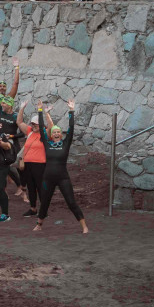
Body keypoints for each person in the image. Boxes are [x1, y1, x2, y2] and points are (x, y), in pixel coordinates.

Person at [33, 100, 89, 234]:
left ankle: (84, 226)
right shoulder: (47, 144)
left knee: (71, 202)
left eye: (58, 132)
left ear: (61, 134)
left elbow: (71, 129)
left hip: (63, 178)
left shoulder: (65, 144)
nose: (57, 133)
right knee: (45, 202)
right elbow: (41, 128)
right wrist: (40, 111)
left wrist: (71, 111)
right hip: (48, 178)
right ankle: (39, 224)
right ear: (51, 135)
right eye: (54, 132)